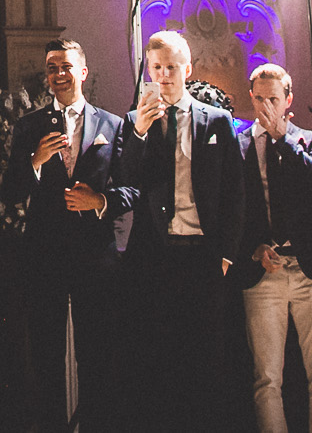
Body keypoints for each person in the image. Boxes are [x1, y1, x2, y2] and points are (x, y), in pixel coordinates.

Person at [0, 37, 133, 431]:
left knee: (97, 354)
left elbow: (133, 190)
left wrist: (100, 201)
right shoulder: (29, 126)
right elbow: (8, 191)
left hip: (96, 257)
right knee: (44, 356)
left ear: (83, 72)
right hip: (44, 256)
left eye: (66, 66)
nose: (58, 74)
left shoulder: (113, 125)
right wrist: (35, 162)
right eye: (52, 68)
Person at [116, 29, 245, 427]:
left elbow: (235, 191)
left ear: (187, 69)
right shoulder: (135, 121)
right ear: (149, 72)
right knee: (157, 355)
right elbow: (126, 179)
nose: (165, 75)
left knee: (205, 356)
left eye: (172, 67)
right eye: (157, 68)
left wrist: (226, 254)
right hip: (154, 254)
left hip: (203, 255)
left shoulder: (218, 122)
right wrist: (138, 130)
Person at [236, 63, 312, 433]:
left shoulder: (308, 139)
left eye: (273, 99)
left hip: (309, 266)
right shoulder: (239, 142)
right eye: (259, 99)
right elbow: (234, 207)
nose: (265, 106)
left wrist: (282, 139)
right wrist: (253, 248)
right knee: (266, 377)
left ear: (288, 100)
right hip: (265, 270)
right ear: (251, 97)